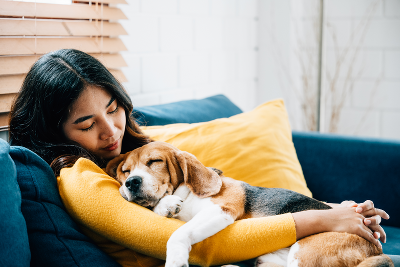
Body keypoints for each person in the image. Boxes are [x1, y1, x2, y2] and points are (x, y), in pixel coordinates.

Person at [8, 49, 392, 267]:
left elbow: (227, 198)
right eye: (86, 123)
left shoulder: (133, 156)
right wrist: (323, 218)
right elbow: (201, 246)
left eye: (113, 108)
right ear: (54, 131)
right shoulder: (81, 180)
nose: (110, 130)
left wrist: (344, 213)